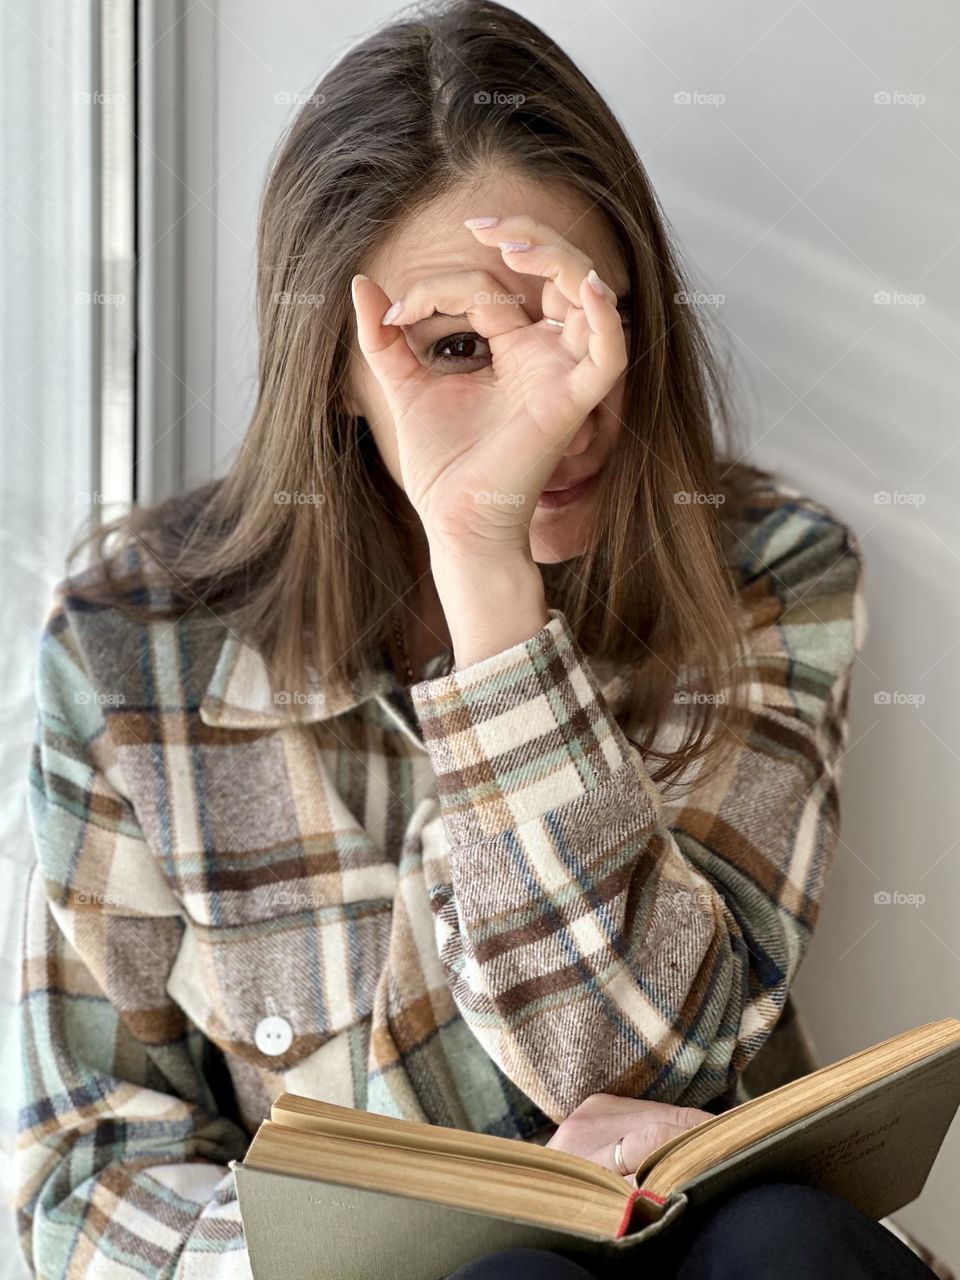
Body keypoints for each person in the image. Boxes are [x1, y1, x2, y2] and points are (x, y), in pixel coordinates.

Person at [17, 0, 928, 1276]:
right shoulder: (130, 655)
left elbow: (647, 1064)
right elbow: (80, 1175)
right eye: (454, 347)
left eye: (573, 326)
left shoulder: (767, 574)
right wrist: (357, 1245)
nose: (549, 413)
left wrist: (490, 594)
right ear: (336, 364)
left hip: (721, 1260)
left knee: (785, 1244)